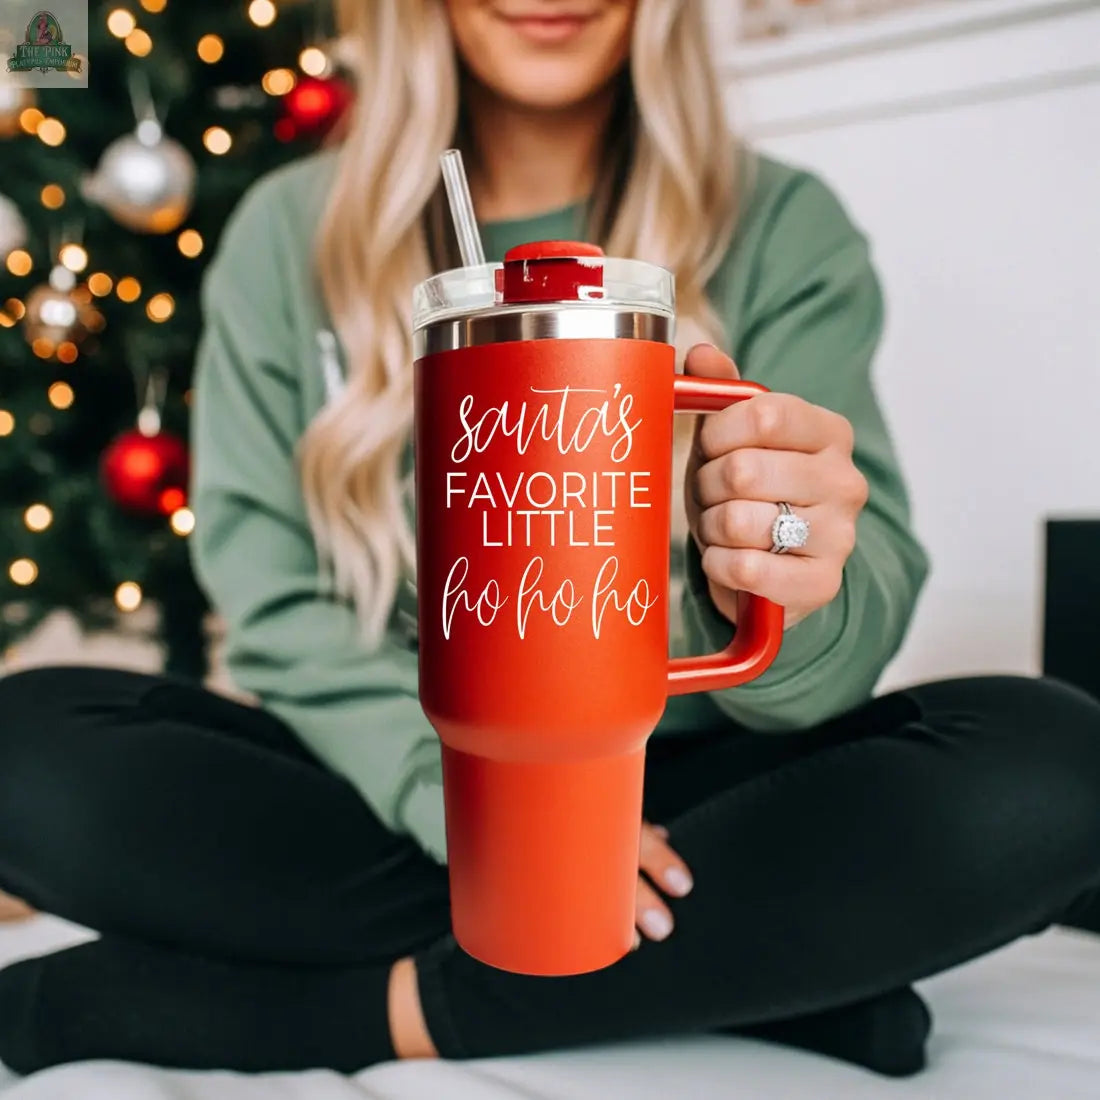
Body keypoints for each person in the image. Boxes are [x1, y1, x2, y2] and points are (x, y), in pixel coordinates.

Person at [1, 0, 1099, 1079]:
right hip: (404, 773)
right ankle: (747, 971)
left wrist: (786, 582)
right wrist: (463, 809)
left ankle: (349, 1009)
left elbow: (852, 613)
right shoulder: (291, 231)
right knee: (24, 747)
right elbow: (274, 593)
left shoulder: (778, 223)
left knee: (1053, 766)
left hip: (688, 783)